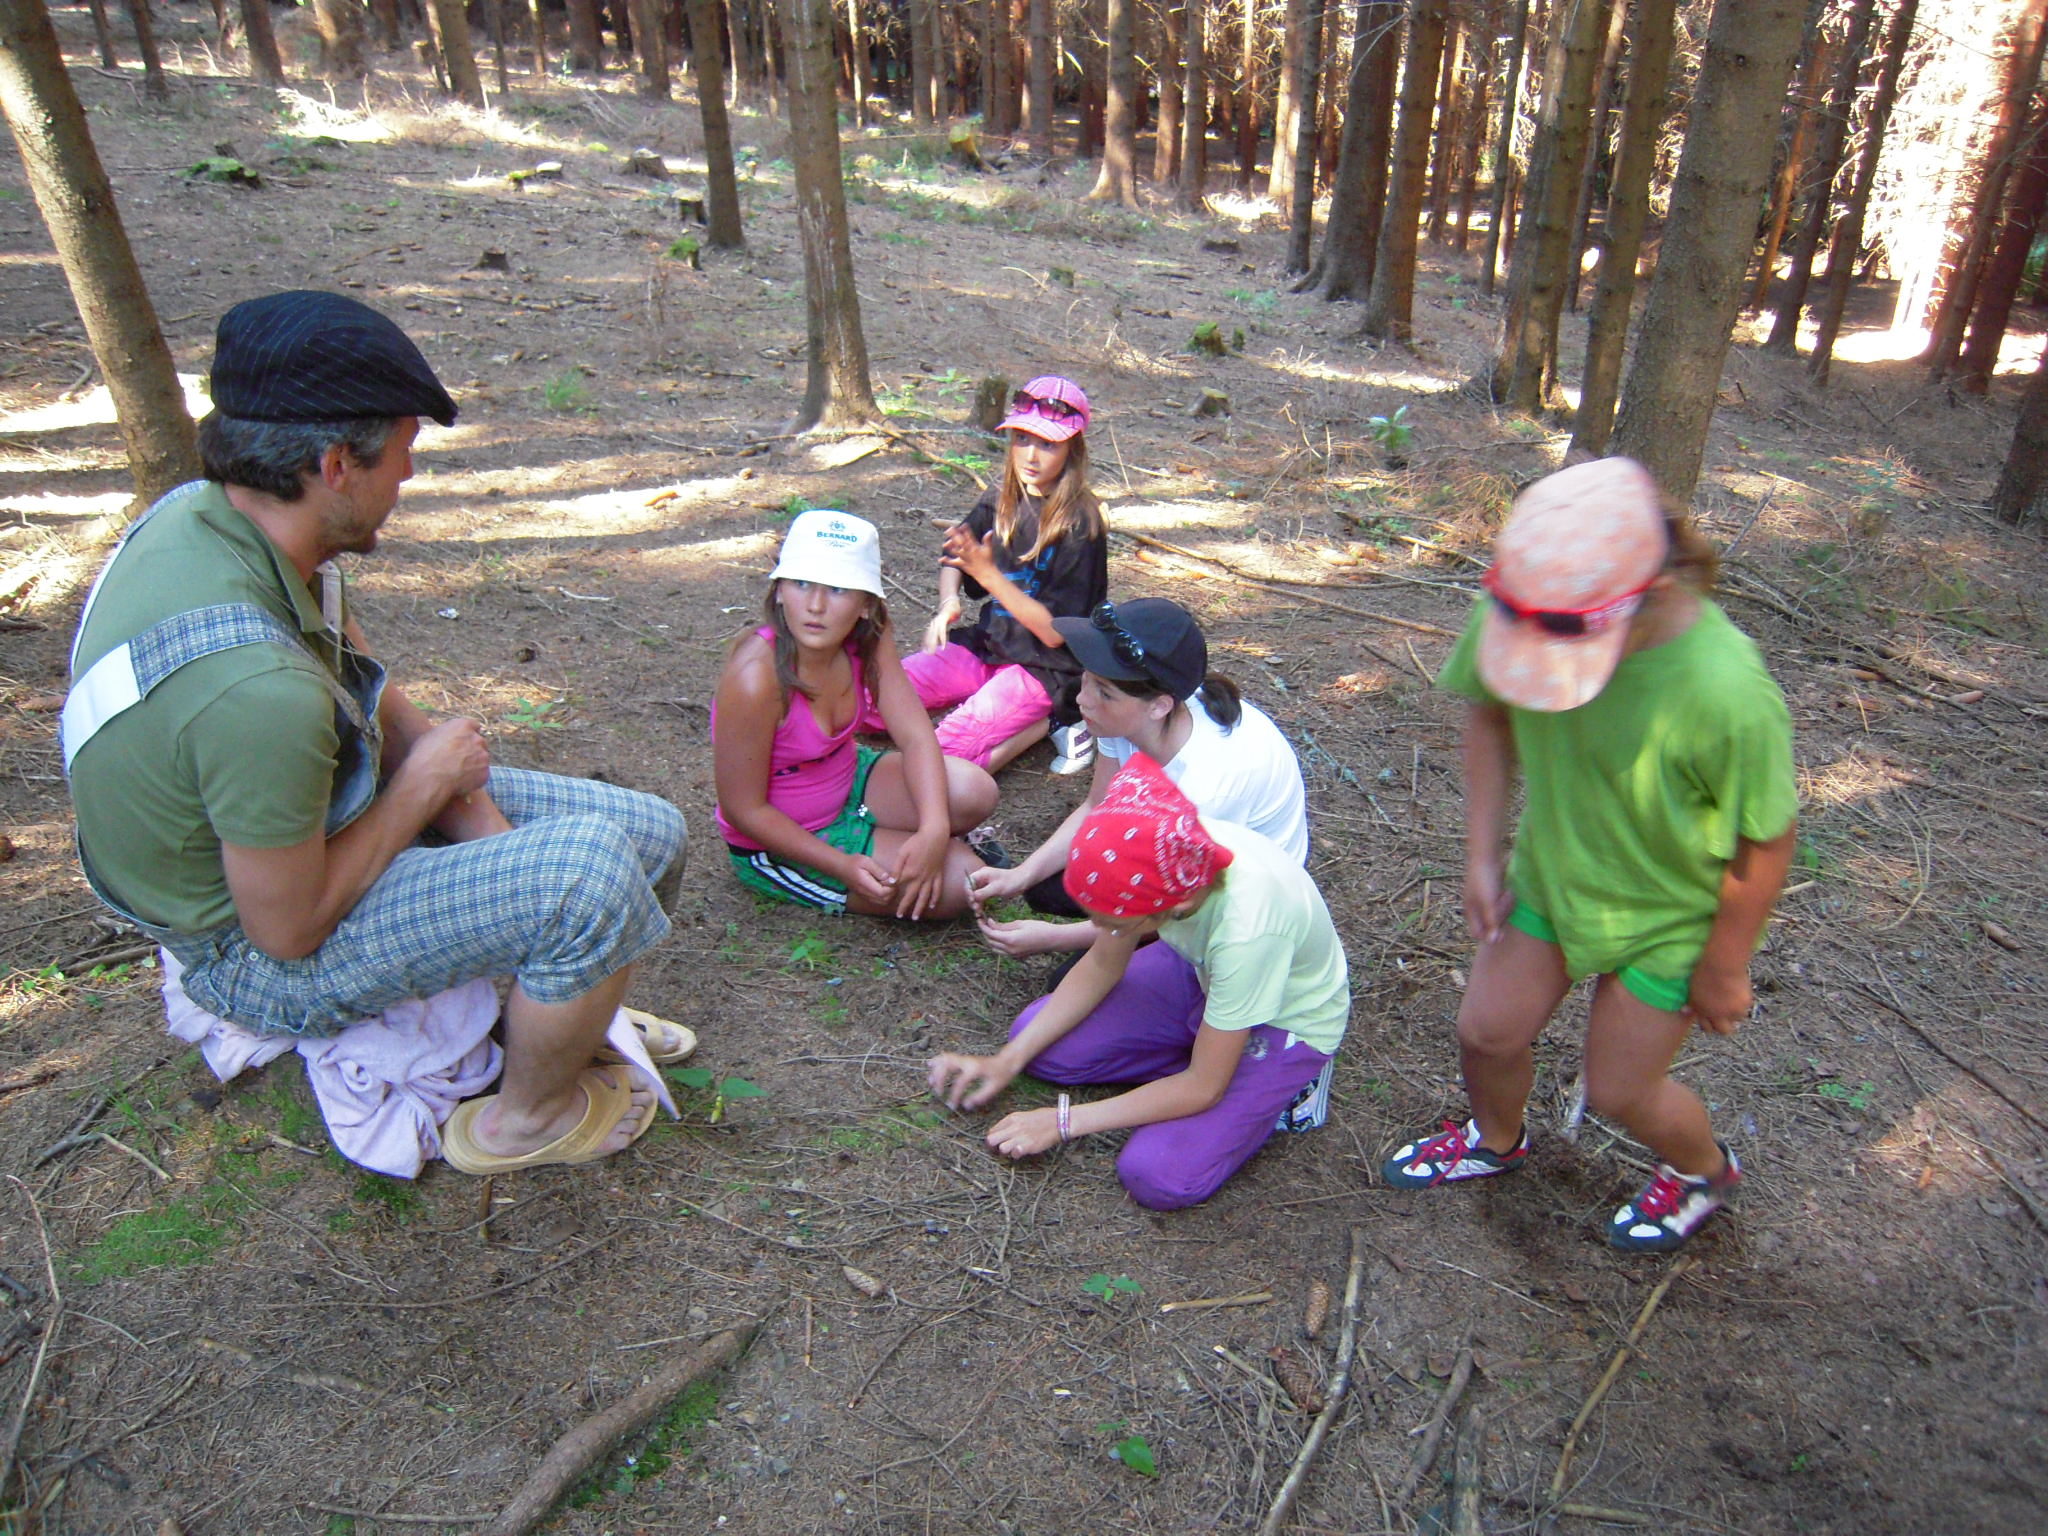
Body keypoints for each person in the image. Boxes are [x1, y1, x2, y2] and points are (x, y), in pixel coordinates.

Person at [61, 290, 693, 1176]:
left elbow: (363, 686)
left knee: (648, 835)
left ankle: (563, 1014)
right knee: (588, 880)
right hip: (247, 948)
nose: (408, 475)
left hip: (314, 817)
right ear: (337, 465)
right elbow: (286, 933)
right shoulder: (257, 694)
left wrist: (478, 822)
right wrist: (424, 789)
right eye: (401, 452)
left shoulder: (236, 522)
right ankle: (524, 1119)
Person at [1380, 457, 1797, 1253]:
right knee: (1487, 1032)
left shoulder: (1726, 690)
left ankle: (1704, 1171)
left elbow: (1765, 838)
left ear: (1653, 591)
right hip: (1555, 876)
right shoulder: (1532, 599)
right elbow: (1491, 714)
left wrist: (1724, 965)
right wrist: (1481, 854)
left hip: (1670, 917)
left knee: (1621, 1091)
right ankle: (1495, 1140)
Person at [927, 754, 1348, 1211]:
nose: (1103, 930)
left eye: (1115, 923)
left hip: (1284, 1019)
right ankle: (1204, 1055)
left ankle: (1285, 1081)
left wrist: (1063, 1121)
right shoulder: (1158, 853)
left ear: (1174, 907)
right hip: (1199, 970)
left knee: (1159, 1174)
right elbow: (1101, 965)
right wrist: (1006, 1061)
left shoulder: (1248, 930)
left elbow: (1202, 1087)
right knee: (1042, 1045)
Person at [968, 597, 1309, 959]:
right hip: (1175, 857)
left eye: (1104, 692)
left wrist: (1055, 938)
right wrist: (1021, 874)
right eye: (1087, 679)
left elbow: (1182, 905)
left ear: (1159, 706)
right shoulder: (1133, 714)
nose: (1083, 699)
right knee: (1047, 888)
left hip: (1232, 901)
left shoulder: (1208, 785)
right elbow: (1097, 805)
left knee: (1078, 978)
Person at [712, 510, 995, 918]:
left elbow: (915, 735)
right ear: (779, 590)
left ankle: (894, 838)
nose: (815, 606)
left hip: (849, 779)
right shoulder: (756, 678)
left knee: (974, 790)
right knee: (966, 884)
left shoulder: (867, 637)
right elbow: (744, 810)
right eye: (801, 583)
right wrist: (841, 865)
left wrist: (934, 829)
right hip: (786, 835)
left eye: (839, 589)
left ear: (865, 604)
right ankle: (855, 856)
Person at [876, 375, 1109, 774]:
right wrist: (948, 603)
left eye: (1047, 444)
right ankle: (994, 702)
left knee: (943, 755)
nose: (1031, 456)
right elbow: (955, 553)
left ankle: (1048, 721)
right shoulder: (1001, 499)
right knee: (876, 700)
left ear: (1072, 449)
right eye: (1022, 439)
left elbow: (1055, 634)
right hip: (988, 645)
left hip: (1045, 668)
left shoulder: (1080, 525)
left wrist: (987, 575)